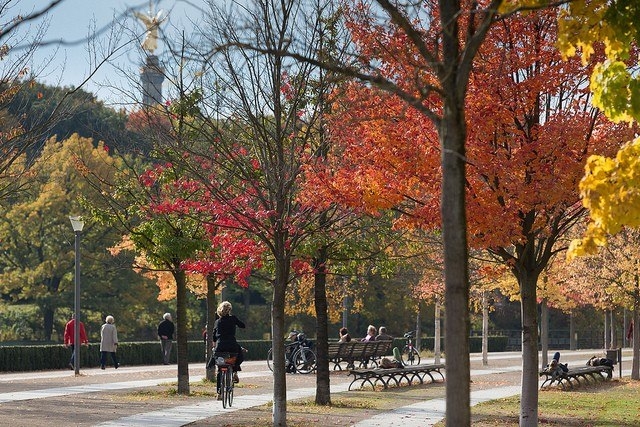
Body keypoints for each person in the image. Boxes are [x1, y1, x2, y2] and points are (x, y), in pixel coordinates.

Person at [212, 301, 245, 384]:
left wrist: (215, 346)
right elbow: (243, 325)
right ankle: (234, 372)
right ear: (229, 310)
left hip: (220, 346)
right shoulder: (233, 318)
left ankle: (219, 393)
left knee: (220, 367)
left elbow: (214, 337)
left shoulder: (217, 322)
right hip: (232, 345)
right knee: (238, 356)